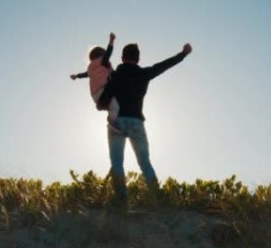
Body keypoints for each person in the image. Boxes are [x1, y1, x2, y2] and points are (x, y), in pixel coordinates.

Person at [98, 42, 193, 202]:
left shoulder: (114, 76)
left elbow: (103, 101)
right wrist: (182, 54)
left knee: (117, 162)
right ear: (138, 58)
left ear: (122, 58)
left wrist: (102, 105)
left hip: (117, 122)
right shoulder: (144, 74)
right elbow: (163, 66)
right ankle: (158, 197)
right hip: (136, 122)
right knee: (144, 162)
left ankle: (121, 201)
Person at [70, 33, 120, 127]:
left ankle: (112, 117)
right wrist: (111, 40)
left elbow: (84, 74)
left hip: (95, 97)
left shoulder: (90, 68)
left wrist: (76, 76)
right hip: (104, 90)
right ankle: (113, 122)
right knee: (115, 105)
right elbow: (109, 52)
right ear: (102, 55)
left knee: (111, 105)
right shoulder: (103, 61)